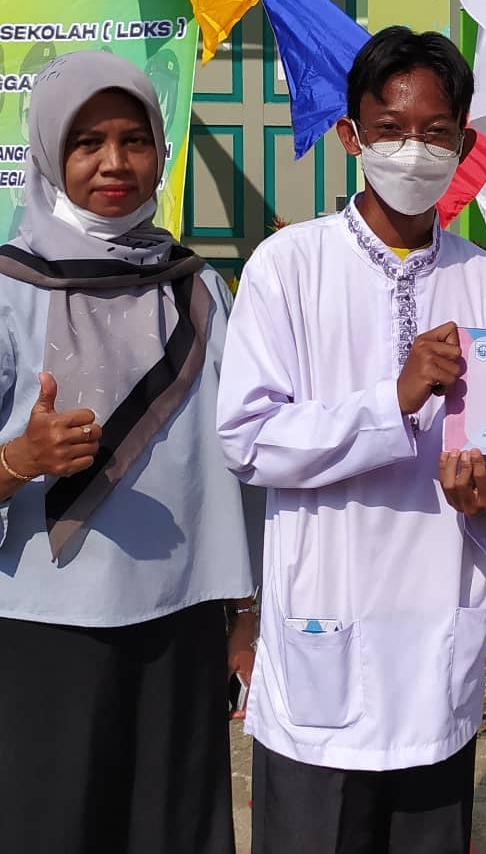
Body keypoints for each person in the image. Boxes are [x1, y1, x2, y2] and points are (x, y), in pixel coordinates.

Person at [216, 26, 486, 854]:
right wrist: (394, 401)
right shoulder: (288, 267)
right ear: (351, 136)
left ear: (465, 146)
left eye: (435, 132)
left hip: (433, 645)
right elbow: (248, 440)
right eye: (391, 129)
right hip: (322, 637)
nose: (413, 150)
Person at [0, 51, 255, 854]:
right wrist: (18, 459)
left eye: (134, 139)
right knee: (52, 827)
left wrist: (247, 615)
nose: (114, 162)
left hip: (181, 620)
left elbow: (243, 457)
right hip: (43, 627)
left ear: (159, 152)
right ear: (50, 153)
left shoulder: (197, 289)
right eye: (87, 143)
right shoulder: (9, 290)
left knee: (171, 828)